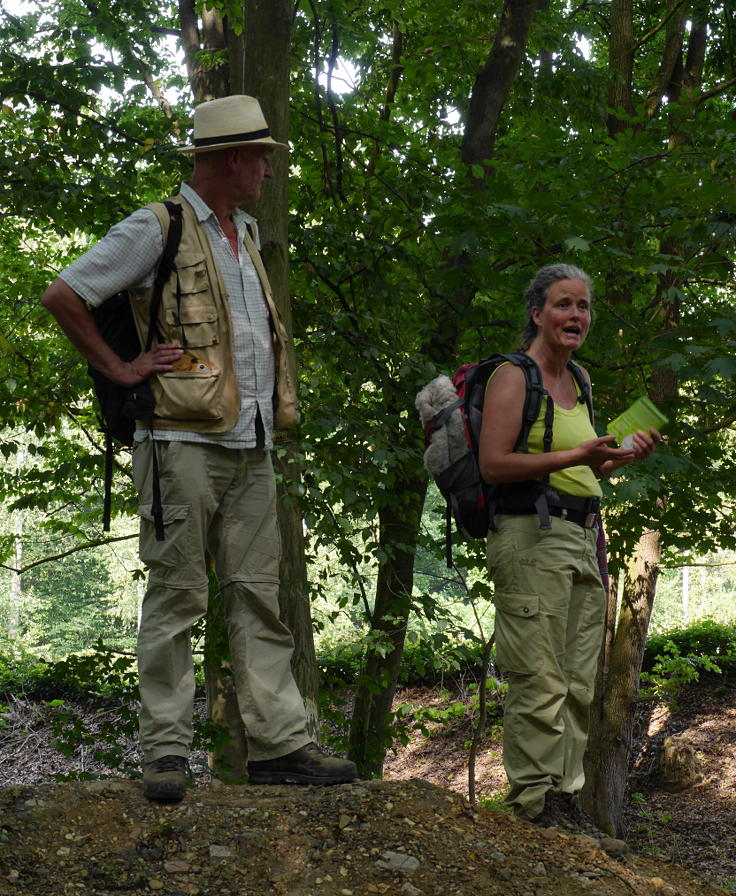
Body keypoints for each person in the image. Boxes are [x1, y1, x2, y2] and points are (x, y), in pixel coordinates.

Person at [41, 94, 357, 801]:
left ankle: (278, 746)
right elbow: (63, 294)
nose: (271, 171)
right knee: (177, 594)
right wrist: (120, 370)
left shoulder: (244, 232)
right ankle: (165, 753)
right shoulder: (158, 225)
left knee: (259, 596)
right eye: (263, 158)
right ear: (233, 158)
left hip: (253, 443)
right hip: (177, 440)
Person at [478, 263, 659, 826]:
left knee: (580, 683)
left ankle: (563, 800)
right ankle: (533, 803)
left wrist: (616, 459)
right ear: (537, 313)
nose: (575, 315)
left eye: (582, 306)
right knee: (540, 675)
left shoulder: (580, 381)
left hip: (582, 539)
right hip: (531, 537)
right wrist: (579, 457)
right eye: (563, 304)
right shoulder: (513, 376)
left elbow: (584, 472)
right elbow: (495, 463)